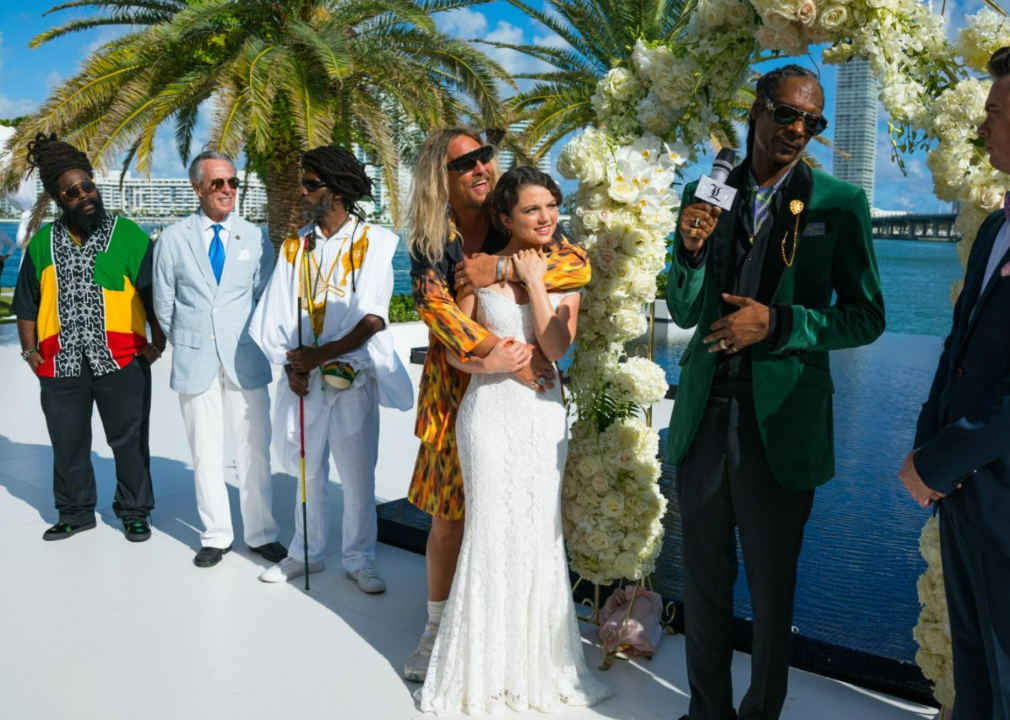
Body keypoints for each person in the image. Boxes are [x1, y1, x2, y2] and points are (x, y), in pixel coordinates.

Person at [665, 66, 885, 720]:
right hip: (704, 418)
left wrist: (780, 323)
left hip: (783, 428)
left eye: (812, 123)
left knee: (771, 590)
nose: (798, 131)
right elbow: (680, 308)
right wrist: (690, 253)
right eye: (787, 115)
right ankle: (706, 713)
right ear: (756, 110)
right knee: (702, 585)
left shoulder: (839, 203)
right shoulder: (703, 194)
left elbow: (867, 317)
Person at [417, 166, 611, 713]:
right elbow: (457, 353)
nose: (547, 217)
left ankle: (535, 667)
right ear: (505, 217)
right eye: (532, 209)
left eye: (552, 206)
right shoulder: (474, 275)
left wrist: (533, 282)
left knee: (537, 537)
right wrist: (493, 362)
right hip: (488, 419)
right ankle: (479, 670)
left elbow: (555, 348)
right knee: (489, 534)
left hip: (541, 420)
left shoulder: (565, 273)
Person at [901, 47, 1010, 720]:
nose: (981, 128)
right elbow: (958, 350)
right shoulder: (997, 226)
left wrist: (942, 460)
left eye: (994, 113)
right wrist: (925, 450)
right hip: (968, 495)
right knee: (975, 677)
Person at [250, 145, 412, 592]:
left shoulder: (376, 243)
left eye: (310, 184)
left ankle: (359, 557)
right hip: (304, 379)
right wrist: (291, 366)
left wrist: (319, 357)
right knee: (308, 471)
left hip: (352, 377)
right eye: (303, 183)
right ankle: (305, 554)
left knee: (358, 474)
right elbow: (273, 314)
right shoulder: (294, 246)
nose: (302, 192)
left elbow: (374, 318)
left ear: (337, 191)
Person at [13, 133, 166, 542]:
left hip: (123, 360)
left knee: (129, 440)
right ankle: (75, 512)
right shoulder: (43, 242)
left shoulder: (130, 235)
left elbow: (156, 295)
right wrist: (31, 353)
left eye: (88, 186)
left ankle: (134, 511)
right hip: (60, 363)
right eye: (72, 192)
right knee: (67, 442)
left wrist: (157, 343)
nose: (84, 195)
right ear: (59, 198)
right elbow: (26, 303)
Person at [153, 151, 285, 569]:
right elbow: (163, 302)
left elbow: (266, 297)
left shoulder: (254, 235)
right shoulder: (172, 238)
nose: (228, 190)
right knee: (204, 451)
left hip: (245, 358)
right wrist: (190, 341)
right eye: (218, 184)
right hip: (195, 360)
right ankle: (215, 535)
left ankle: (262, 533)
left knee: (254, 449)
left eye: (233, 182)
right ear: (197, 187)